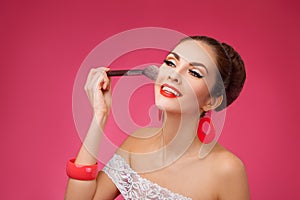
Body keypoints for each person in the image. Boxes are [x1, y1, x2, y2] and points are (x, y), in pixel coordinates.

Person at [65, 36, 250, 200]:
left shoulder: (227, 169)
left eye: (194, 73)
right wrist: (100, 114)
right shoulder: (135, 144)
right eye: (170, 63)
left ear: (211, 101)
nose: (174, 75)